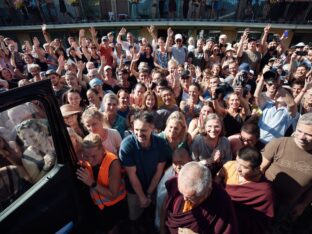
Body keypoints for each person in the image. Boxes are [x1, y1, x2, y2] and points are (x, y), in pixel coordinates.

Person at [119, 111, 171, 232]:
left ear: (152, 128)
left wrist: (148, 194)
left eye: (143, 130)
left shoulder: (161, 144)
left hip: (154, 187)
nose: (139, 133)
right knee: (134, 216)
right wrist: (142, 197)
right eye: (136, 129)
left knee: (153, 214)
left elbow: (159, 171)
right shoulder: (126, 146)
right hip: (134, 190)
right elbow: (132, 175)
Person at [260, 112, 312, 231]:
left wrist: (303, 205)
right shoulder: (279, 143)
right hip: (266, 200)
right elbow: (260, 169)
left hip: (288, 209)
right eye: (299, 131)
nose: (301, 137)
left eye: (308, 134)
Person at [162, 161, 238, 233]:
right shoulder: (176, 186)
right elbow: (165, 210)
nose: (184, 199)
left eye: (190, 197)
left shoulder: (221, 201)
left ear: (207, 192)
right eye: (182, 193)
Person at [76, 133, 127, 233]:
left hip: (114, 207)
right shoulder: (84, 160)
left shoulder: (113, 163)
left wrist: (92, 183)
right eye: (86, 156)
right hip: (98, 207)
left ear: (102, 149)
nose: (90, 160)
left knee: (113, 229)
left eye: (94, 156)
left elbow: (113, 195)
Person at [217, 146, 274, 234]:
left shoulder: (264, 191)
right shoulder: (230, 166)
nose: (238, 169)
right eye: (237, 162)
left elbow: (262, 220)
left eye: (244, 167)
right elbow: (217, 180)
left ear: (256, 169)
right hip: (220, 214)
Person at [155, 148, 191, 231]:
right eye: (175, 163)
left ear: (189, 160)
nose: (178, 167)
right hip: (172, 216)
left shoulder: (195, 172)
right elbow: (162, 203)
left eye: (181, 163)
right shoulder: (168, 177)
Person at [16, 119, 55, 183]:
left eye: (32, 135)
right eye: (24, 138)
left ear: (41, 132)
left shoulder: (56, 139)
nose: (29, 141)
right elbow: (36, 182)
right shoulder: (27, 157)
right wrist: (46, 166)